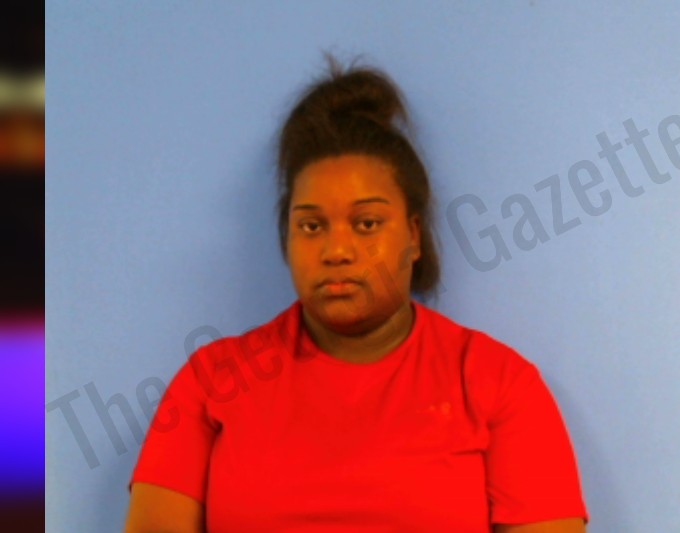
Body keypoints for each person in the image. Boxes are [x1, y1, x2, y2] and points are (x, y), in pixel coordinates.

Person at [124, 55, 589, 533]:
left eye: (367, 223)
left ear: (413, 236)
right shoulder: (211, 382)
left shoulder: (499, 384)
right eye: (311, 226)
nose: (337, 251)